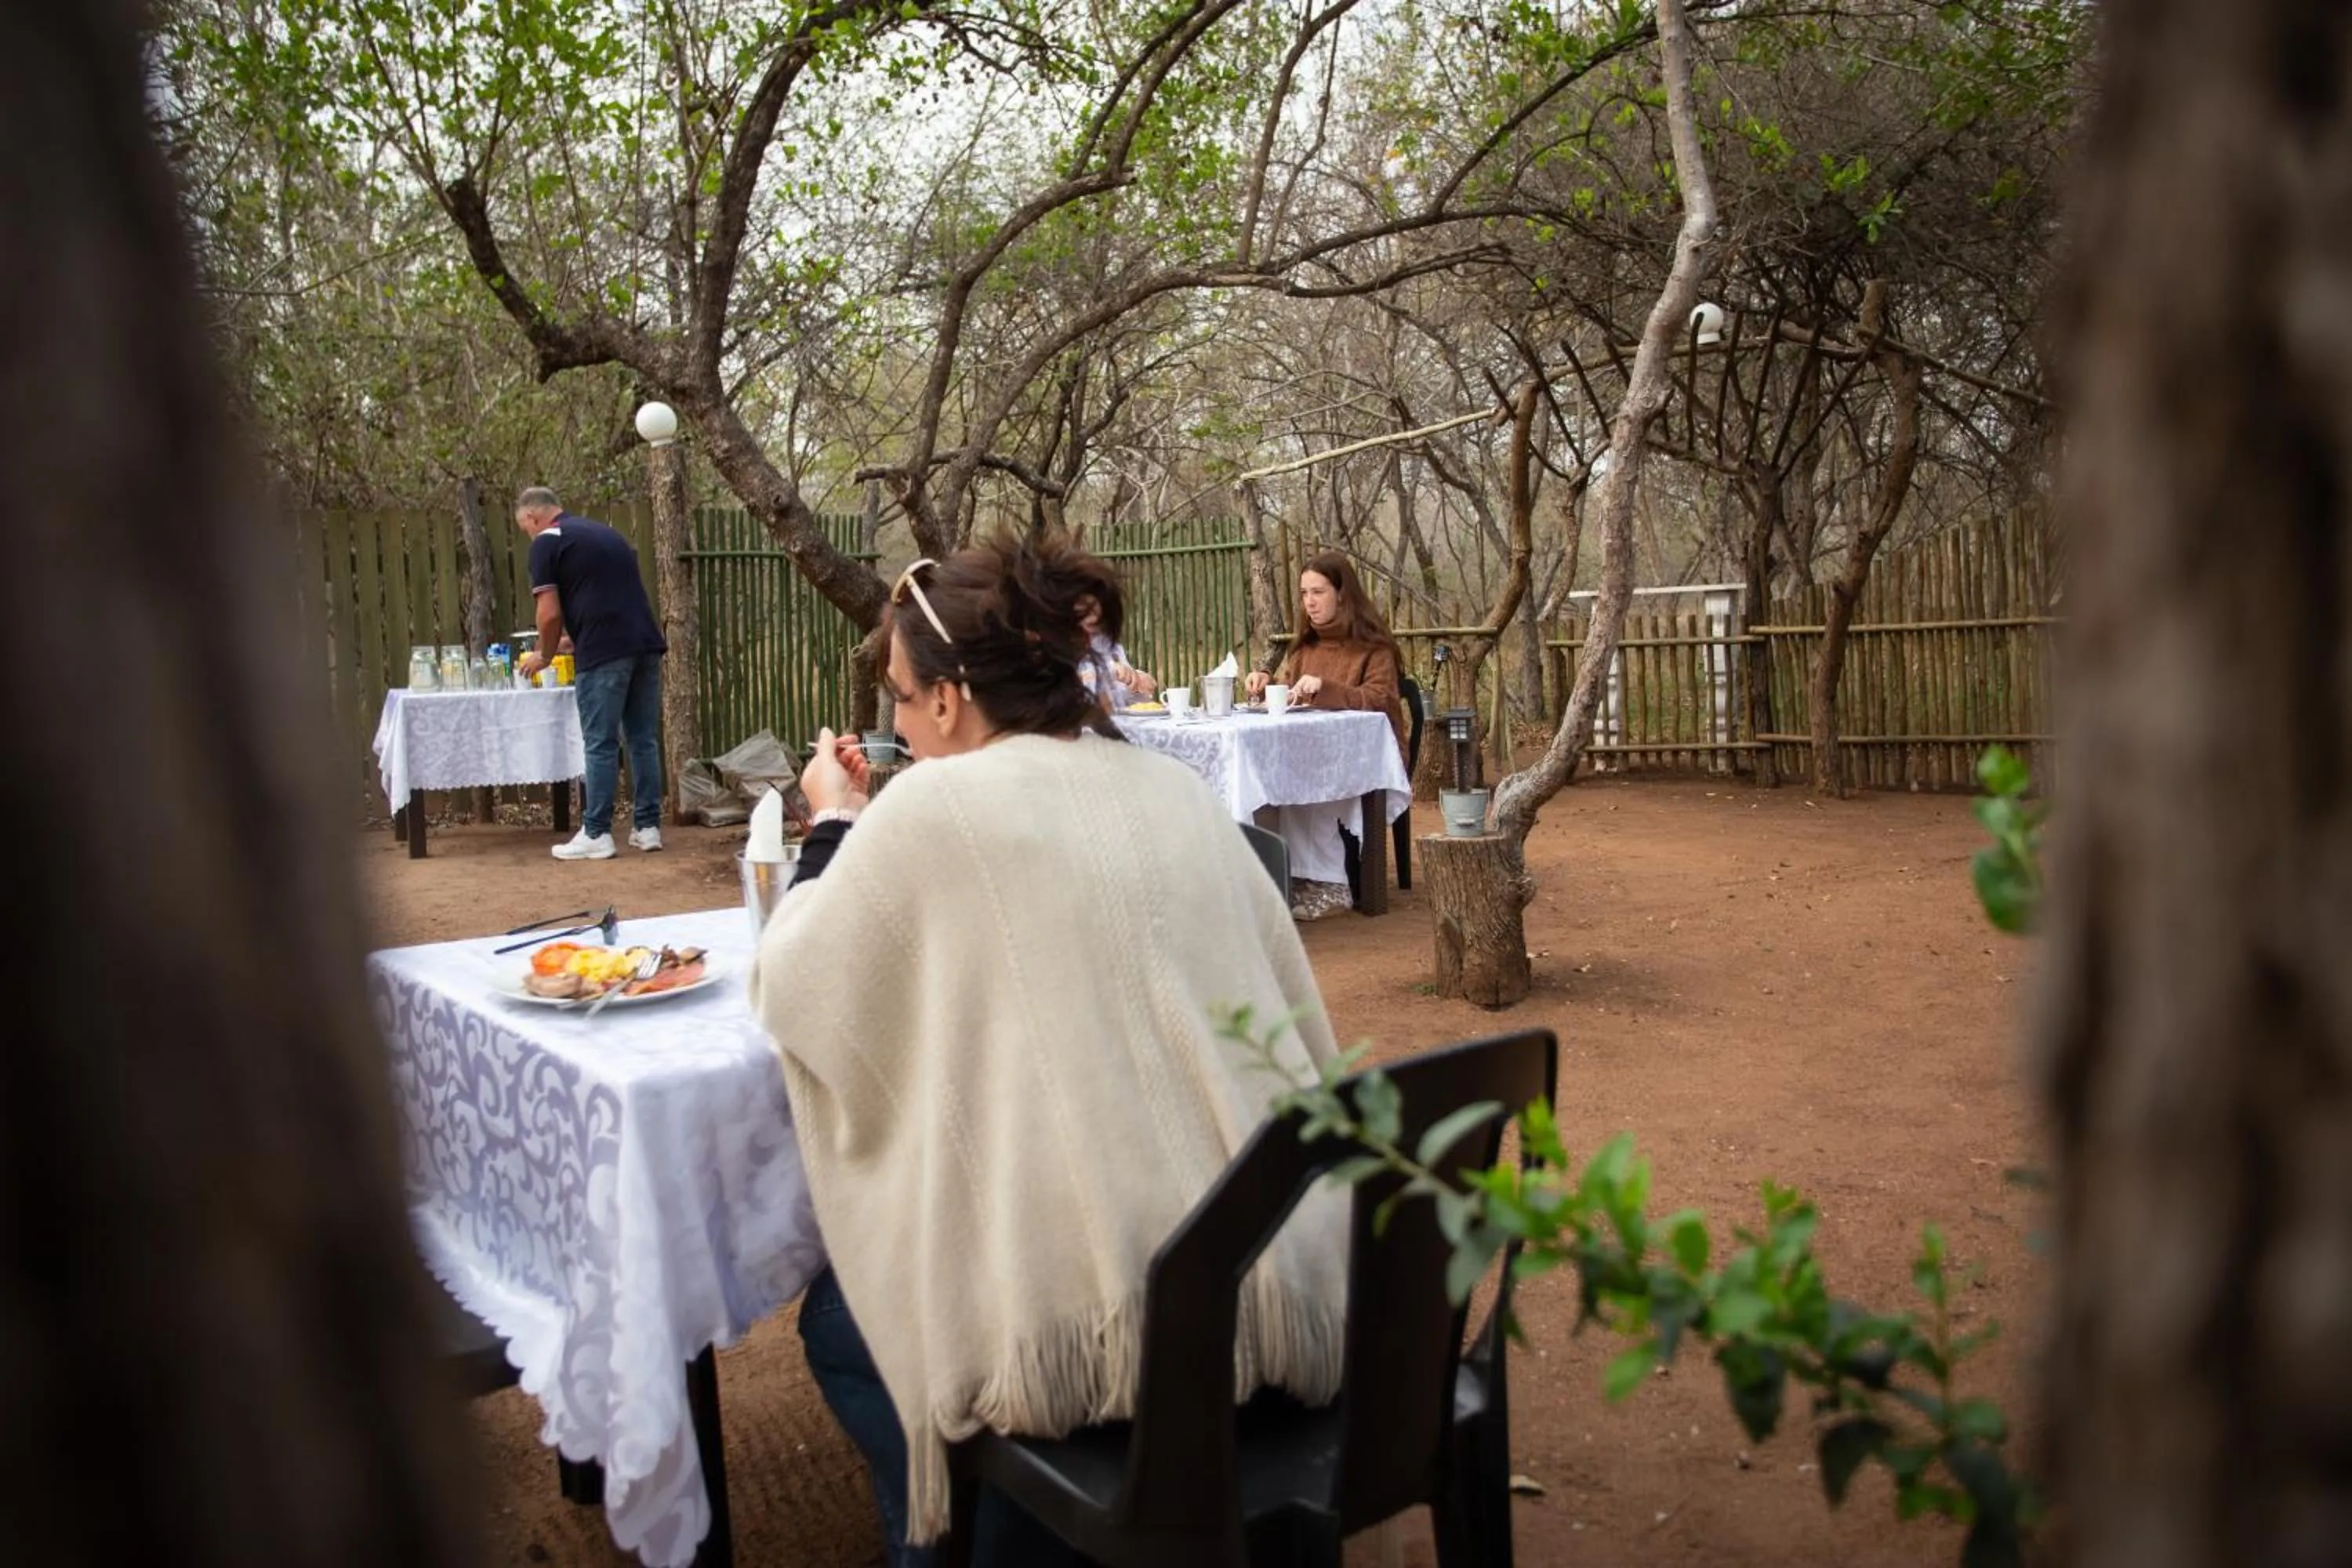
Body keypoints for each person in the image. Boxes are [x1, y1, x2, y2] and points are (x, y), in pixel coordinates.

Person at [749, 535, 1348, 1566]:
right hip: (1289, 1279)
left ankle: (973, 1543)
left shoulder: (933, 807)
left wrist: (833, 823)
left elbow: (797, 981)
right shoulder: (1170, 787)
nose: (892, 724)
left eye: (897, 699)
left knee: (845, 1327)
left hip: (1111, 1339)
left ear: (947, 701)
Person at [1245, 552, 1406, 920]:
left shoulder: (1374, 649)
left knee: (1308, 780)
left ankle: (1331, 883)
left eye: (1318, 592)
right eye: (1304, 593)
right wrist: (1267, 686)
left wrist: (1328, 689)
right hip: (1309, 753)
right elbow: (1293, 694)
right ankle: (1286, 876)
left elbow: (1381, 701)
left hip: (1363, 757)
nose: (1309, 602)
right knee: (1264, 780)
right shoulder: (1304, 649)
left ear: (1342, 594)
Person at [513, 488, 670, 858]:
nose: (529, 537)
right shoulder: (605, 534)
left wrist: (545, 654)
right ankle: (647, 827)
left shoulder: (547, 542)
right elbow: (606, 597)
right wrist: (575, 640)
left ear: (534, 518)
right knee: (643, 738)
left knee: (600, 742)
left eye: (525, 529)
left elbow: (549, 614)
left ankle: (597, 832)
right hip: (644, 643)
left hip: (604, 655)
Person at [1074, 590, 1158, 711]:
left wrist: (1138, 685)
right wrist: (1109, 671)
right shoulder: (1055, 646)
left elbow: (1125, 701)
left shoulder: (1112, 647)